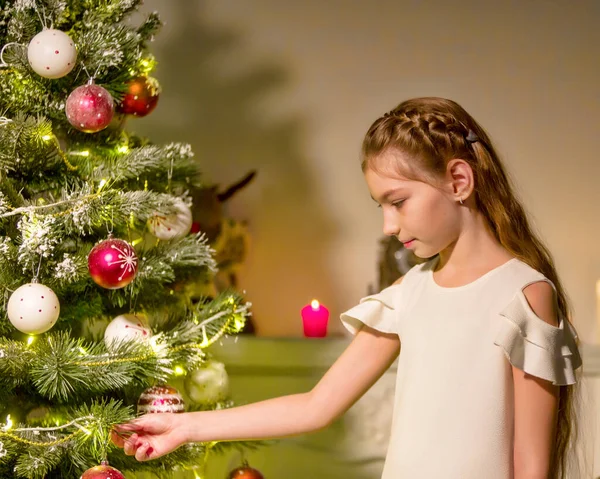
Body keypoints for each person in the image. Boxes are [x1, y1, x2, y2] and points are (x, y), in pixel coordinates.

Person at [112, 97, 583, 478]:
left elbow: (531, 465)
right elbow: (316, 406)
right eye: (380, 205)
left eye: (398, 202)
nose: (387, 224)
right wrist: (182, 427)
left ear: (459, 180)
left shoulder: (525, 294)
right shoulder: (408, 295)